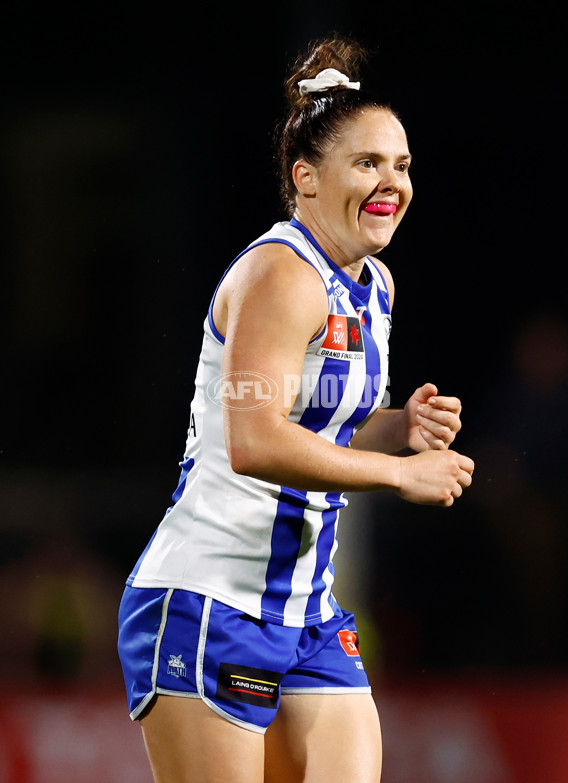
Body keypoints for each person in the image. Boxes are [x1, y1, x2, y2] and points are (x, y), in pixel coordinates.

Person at [117, 36, 474, 783]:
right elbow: (254, 438)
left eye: (401, 165)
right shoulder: (283, 273)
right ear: (306, 179)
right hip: (209, 603)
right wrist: (397, 475)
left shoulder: (375, 286)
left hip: (308, 617)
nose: (392, 182)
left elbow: (320, 422)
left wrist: (397, 426)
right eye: (368, 163)